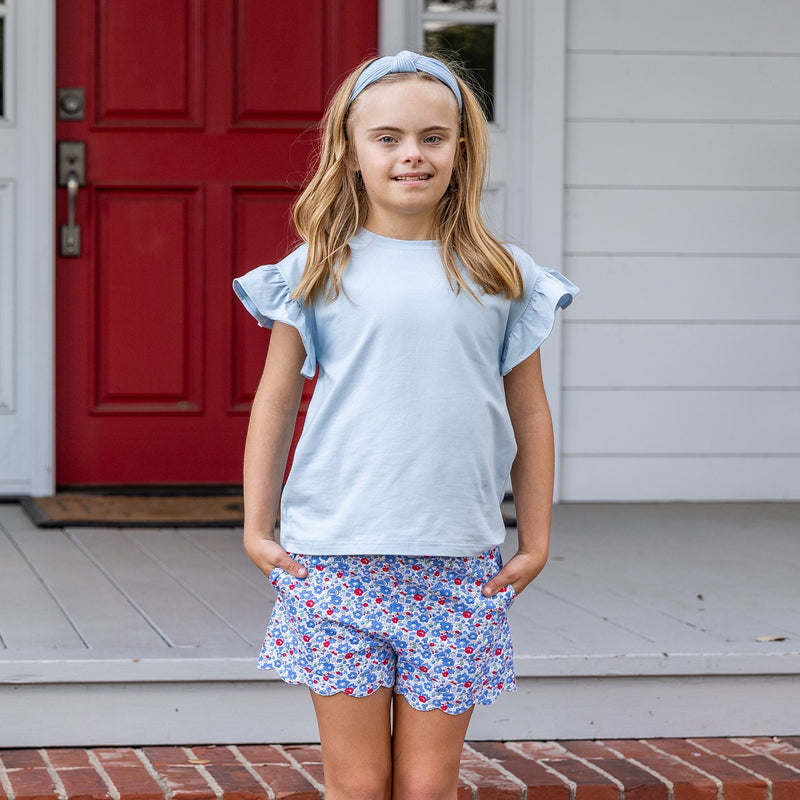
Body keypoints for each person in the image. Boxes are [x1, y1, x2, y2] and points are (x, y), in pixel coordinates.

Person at [233, 50, 578, 800]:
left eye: (433, 136)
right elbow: (276, 401)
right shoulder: (315, 269)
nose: (412, 154)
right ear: (350, 153)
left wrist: (538, 538)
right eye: (387, 138)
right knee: (358, 782)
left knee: (429, 781)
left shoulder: (502, 274)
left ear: (463, 148)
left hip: (456, 563)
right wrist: (258, 528)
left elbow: (530, 413)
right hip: (335, 561)